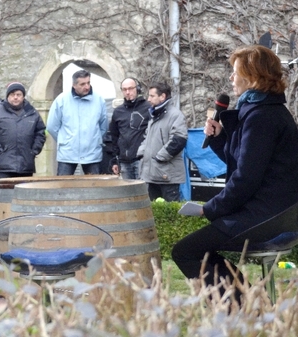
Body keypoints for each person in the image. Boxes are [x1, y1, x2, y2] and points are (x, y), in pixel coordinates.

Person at [172, 45, 298, 303]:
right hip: (276, 212)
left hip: (269, 215)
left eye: (235, 71)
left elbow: (246, 179)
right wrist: (219, 139)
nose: (231, 78)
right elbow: (246, 164)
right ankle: (251, 306)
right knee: (194, 249)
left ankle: (247, 311)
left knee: (186, 251)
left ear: (253, 76)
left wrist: (210, 208)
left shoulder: (262, 116)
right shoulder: (264, 111)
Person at [46, 69, 107, 175]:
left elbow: (104, 125)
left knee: (95, 189)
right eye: (82, 84)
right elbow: (52, 126)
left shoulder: (99, 100)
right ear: (74, 85)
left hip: (92, 153)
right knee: (62, 188)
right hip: (68, 154)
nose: (87, 86)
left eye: (88, 83)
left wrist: (95, 140)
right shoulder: (61, 100)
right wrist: (65, 141)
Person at [0, 82, 46, 179]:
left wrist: (34, 150)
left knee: (24, 194)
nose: (15, 97)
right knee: (5, 193)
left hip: (26, 164)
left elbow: (40, 132)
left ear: (23, 96)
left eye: (18, 95)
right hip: (5, 165)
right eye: (12, 94)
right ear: (8, 96)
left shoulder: (32, 112)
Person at [137, 82, 187, 201]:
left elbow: (179, 140)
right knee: (153, 213)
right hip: (151, 175)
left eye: (152, 96)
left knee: (171, 214)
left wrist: (158, 158)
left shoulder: (175, 115)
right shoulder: (154, 115)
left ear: (163, 96)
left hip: (167, 176)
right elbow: (147, 137)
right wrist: (141, 153)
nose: (148, 99)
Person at [109, 77, 151, 179]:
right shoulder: (118, 112)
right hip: (124, 162)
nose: (128, 92)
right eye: (124, 89)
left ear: (138, 89)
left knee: (144, 192)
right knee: (128, 193)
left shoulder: (148, 108)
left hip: (142, 161)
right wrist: (115, 160)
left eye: (131, 88)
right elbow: (114, 137)